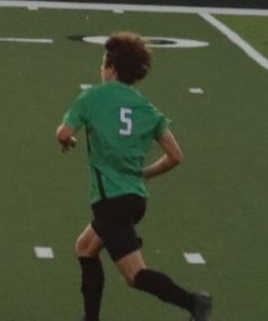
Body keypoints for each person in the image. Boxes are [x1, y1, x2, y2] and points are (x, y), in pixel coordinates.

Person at [56, 33, 212, 321]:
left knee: (134, 275)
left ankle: (194, 302)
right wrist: (145, 173)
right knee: (85, 248)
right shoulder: (144, 107)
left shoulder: (92, 97)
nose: (101, 68)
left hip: (110, 201)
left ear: (112, 67)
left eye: (104, 62)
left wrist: (69, 142)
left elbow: (63, 133)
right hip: (135, 198)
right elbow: (175, 156)